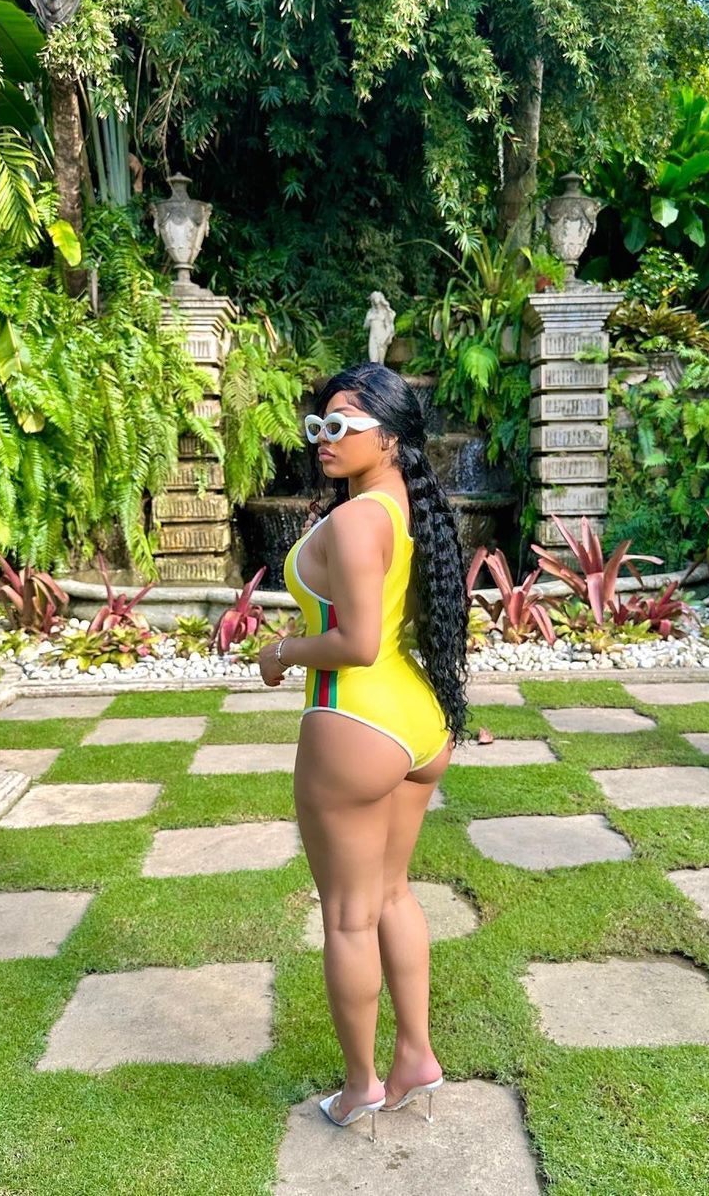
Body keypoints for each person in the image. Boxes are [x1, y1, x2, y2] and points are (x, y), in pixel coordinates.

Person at [257, 362, 469, 1139]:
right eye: (318, 425)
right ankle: (416, 1058)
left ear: (389, 435)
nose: (324, 438)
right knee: (393, 896)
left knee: (349, 918)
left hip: (354, 720)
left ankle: (360, 1088)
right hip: (418, 721)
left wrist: (281, 651)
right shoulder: (406, 503)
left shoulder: (354, 521)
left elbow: (355, 643)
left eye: (342, 425)